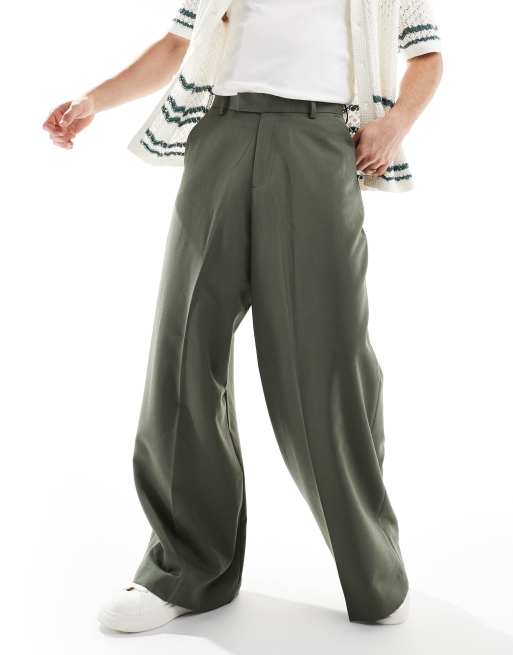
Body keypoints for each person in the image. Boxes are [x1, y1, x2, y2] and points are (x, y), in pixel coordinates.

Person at [43, 0, 443, 634]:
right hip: (221, 133)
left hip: (320, 142)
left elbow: (427, 56)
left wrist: (395, 124)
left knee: (329, 361)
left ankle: (373, 568)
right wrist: (94, 99)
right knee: (184, 347)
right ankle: (184, 569)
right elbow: (176, 46)